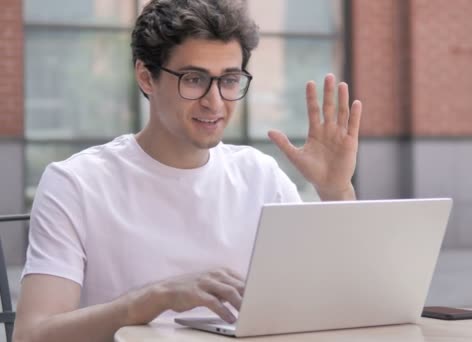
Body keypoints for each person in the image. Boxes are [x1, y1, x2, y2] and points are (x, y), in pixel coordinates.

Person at [13, 0, 362, 341]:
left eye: (229, 80)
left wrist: (337, 192)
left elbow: (336, 301)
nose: (215, 101)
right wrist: (151, 300)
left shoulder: (260, 175)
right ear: (146, 77)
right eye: (194, 79)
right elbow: (33, 334)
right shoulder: (76, 183)